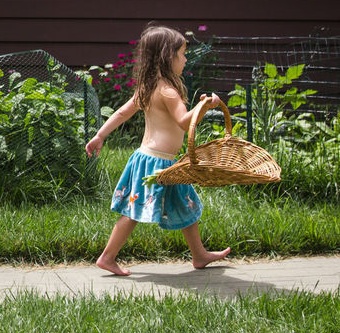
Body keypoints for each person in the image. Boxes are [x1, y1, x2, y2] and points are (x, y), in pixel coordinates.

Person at [85, 22, 232, 275]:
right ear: (168, 56)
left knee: (185, 204)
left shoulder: (149, 85)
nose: (185, 59)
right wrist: (206, 105)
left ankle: (199, 255)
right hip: (158, 162)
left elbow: (122, 112)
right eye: (182, 53)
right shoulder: (168, 91)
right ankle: (107, 257)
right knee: (133, 213)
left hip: (150, 159)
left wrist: (100, 135)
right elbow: (185, 123)